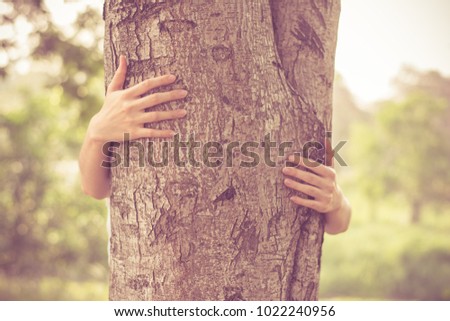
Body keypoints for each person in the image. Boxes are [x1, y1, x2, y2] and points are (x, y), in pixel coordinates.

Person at [79, 55, 351, 235]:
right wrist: (96, 134)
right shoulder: (129, 114)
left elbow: (337, 224)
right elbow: (96, 188)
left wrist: (336, 201)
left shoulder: (293, 115)